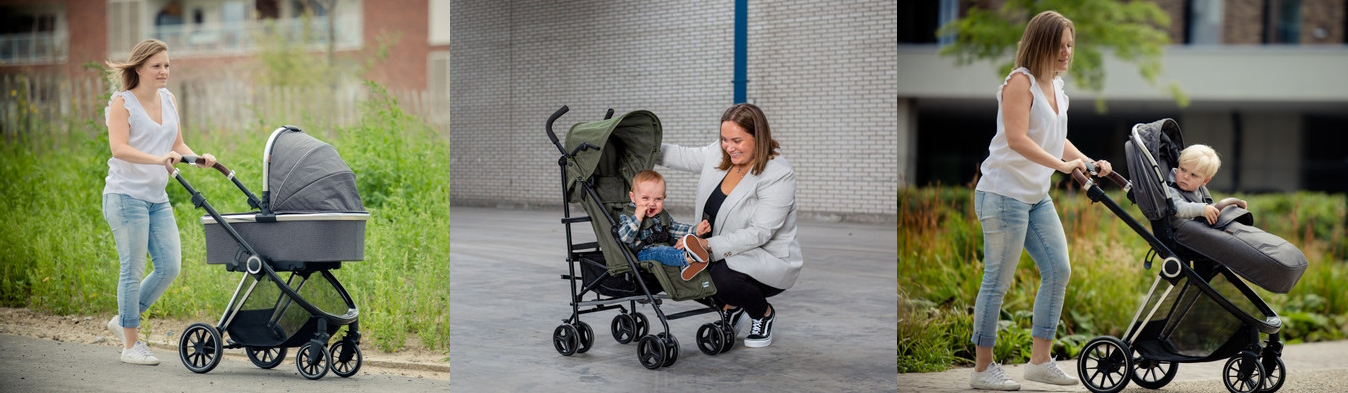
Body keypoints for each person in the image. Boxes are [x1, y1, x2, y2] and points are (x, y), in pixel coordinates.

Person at [969, 10, 1113, 390]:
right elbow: (1018, 138)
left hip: (1035, 197)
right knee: (997, 282)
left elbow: (1055, 137)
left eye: (1071, 45)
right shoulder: (1021, 82)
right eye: (1061, 45)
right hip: (1002, 195)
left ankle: (1039, 362)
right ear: (1043, 43)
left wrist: (1085, 161)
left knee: (1058, 271)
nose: (1067, 52)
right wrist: (1063, 166)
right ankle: (983, 370)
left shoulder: (1056, 88)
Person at [102, 38, 216, 365]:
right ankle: (131, 345)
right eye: (156, 66)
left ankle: (123, 320)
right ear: (138, 68)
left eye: (166, 65)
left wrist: (197, 159)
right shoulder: (122, 103)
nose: (164, 71)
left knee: (169, 266)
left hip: (156, 198)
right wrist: (157, 160)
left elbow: (177, 144)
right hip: (125, 197)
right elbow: (119, 149)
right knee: (133, 269)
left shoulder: (168, 99)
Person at [658, 103, 802, 348]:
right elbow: (681, 156)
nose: (728, 147)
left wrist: (706, 244)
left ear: (759, 137)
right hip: (720, 250)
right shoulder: (719, 153)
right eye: (724, 139)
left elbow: (760, 233)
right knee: (674, 270)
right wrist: (643, 145)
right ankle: (732, 308)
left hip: (765, 258)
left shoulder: (778, 174)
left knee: (721, 278)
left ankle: (762, 314)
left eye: (737, 140)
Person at [617, 169, 712, 281]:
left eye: (658, 199)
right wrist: (637, 217)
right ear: (633, 197)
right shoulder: (628, 215)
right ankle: (689, 258)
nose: (652, 204)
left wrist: (696, 230)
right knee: (660, 252)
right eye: (645, 198)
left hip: (664, 246)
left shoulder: (661, 215)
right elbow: (624, 238)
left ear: (664, 198)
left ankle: (689, 263)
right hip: (643, 253)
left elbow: (674, 228)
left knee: (677, 245)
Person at [1167, 144, 1247, 228]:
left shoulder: (1199, 189)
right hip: (1182, 233)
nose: (1185, 177)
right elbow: (1178, 208)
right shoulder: (1170, 188)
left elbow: (1209, 206)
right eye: (1183, 169)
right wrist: (1202, 209)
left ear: (1205, 181)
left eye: (1193, 175)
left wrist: (1228, 207)